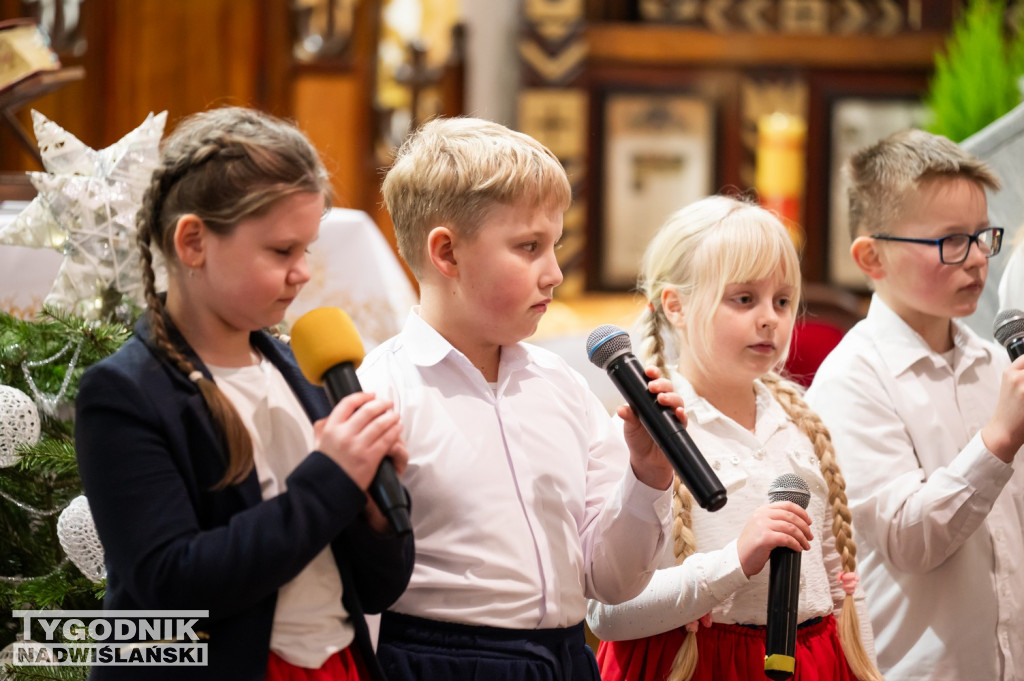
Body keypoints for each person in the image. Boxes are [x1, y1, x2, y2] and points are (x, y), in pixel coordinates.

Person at [74, 106, 415, 681]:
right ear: (193, 242)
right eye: (282, 252)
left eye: (306, 249)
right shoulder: (125, 393)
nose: (302, 272)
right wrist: (331, 480)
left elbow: (378, 588)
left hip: (335, 664)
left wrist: (375, 513)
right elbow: (172, 586)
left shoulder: (303, 368)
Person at [356, 116, 678, 681]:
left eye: (554, 245)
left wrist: (647, 475)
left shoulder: (564, 389)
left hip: (563, 658)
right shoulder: (384, 391)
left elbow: (610, 580)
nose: (554, 273)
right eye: (529, 247)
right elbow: (363, 585)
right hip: (439, 661)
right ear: (447, 254)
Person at [587, 195, 881, 681]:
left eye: (783, 301)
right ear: (676, 306)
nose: (769, 317)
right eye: (744, 299)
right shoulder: (648, 431)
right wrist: (735, 561)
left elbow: (841, 586)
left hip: (812, 662)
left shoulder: (802, 423)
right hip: (697, 663)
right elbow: (608, 615)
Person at [805, 129, 1024, 681]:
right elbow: (909, 540)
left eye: (983, 236)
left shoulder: (994, 362)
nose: (977, 260)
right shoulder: (852, 378)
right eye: (951, 241)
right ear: (872, 256)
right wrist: (999, 440)